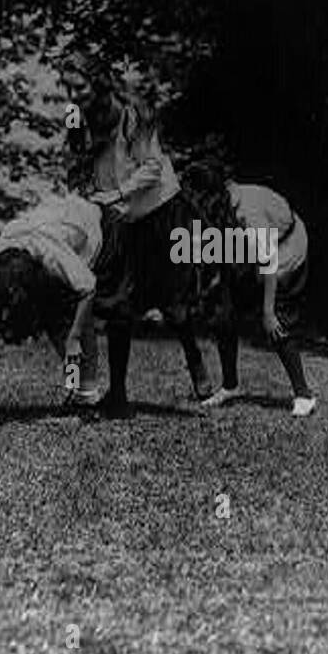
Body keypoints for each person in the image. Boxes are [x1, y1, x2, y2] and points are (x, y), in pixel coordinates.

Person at [77, 59, 213, 417]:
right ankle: (118, 395)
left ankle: (195, 359)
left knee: (173, 306)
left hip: (162, 213)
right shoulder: (84, 121)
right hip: (128, 219)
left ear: (100, 87)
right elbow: (92, 168)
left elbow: (152, 169)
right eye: (70, 88)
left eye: (82, 87)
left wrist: (117, 193)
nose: (76, 95)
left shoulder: (132, 114)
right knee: (118, 306)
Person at [181, 159, 317, 416]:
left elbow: (269, 263)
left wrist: (267, 311)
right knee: (223, 313)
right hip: (255, 250)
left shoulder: (248, 211)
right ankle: (230, 386)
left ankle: (304, 395)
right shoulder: (221, 200)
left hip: (286, 249)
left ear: (210, 193)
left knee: (278, 320)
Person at [0, 192, 103, 405]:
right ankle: (74, 387)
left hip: (86, 226)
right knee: (54, 323)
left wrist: (74, 337)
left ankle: (88, 393)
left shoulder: (51, 254)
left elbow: (88, 289)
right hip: (50, 225)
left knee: (73, 326)